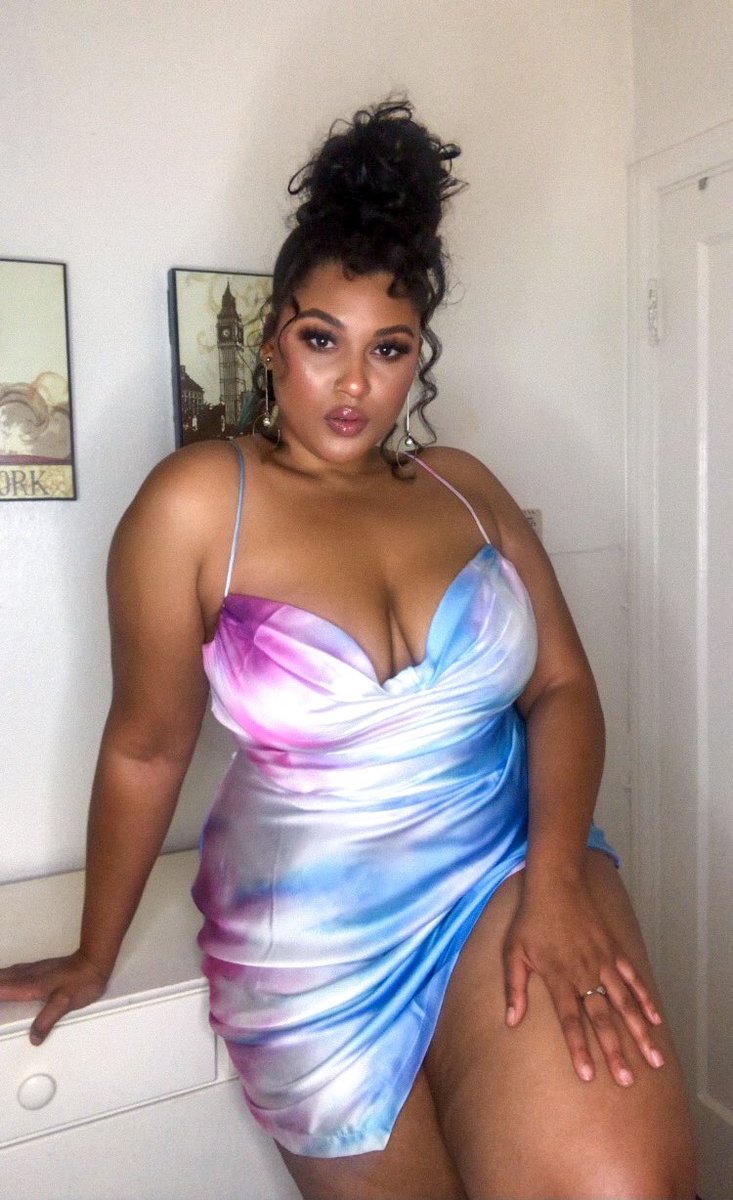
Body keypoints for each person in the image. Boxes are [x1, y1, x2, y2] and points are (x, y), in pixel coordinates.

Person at [0, 101, 695, 1200]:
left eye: (389, 348)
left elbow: (562, 686)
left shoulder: (464, 488)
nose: (355, 385)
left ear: (419, 356)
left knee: (620, 1186)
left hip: (508, 866)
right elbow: (146, 748)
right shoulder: (197, 504)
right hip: (313, 936)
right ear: (275, 340)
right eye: (323, 340)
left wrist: (558, 878)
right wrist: (94, 952)